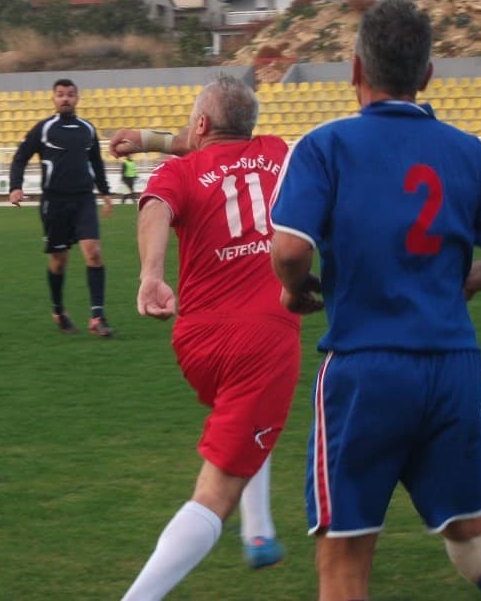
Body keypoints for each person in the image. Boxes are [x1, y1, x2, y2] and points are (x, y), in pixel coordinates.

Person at [269, 0, 481, 601]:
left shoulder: (324, 146)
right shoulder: (469, 152)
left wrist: (296, 292)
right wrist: (471, 281)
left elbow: (290, 249)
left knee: (343, 564)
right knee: (476, 540)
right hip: (451, 367)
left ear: (354, 70)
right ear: (426, 76)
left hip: (365, 369)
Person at [108, 75, 303, 600]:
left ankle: (258, 529)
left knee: (243, 418)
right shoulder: (278, 152)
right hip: (263, 337)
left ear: (200, 126)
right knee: (215, 488)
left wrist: (151, 273)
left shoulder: (182, 169)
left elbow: (154, 207)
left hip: (195, 339)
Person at [8, 78, 114, 337]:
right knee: (58, 260)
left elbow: (96, 163)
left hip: (84, 200)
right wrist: (15, 186)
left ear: (77, 98)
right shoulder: (44, 129)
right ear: (53, 99)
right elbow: (20, 157)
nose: (65, 99)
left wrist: (105, 192)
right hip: (54, 202)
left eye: (70, 94)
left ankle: (97, 317)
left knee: (94, 253)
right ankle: (57, 309)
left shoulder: (87, 129)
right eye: (60, 94)